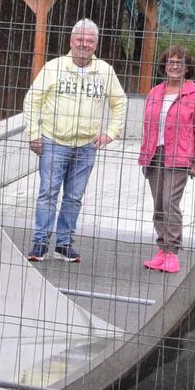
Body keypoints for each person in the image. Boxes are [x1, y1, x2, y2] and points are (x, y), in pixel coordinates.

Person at [22, 18, 126, 262]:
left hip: (86, 146)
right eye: (80, 39)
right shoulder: (54, 67)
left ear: (96, 45)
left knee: (74, 196)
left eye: (89, 41)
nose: (84, 44)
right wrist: (33, 134)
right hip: (54, 141)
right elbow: (32, 100)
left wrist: (112, 132)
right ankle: (40, 242)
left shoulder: (105, 71)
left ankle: (64, 243)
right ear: (71, 41)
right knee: (48, 192)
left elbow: (119, 102)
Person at [137, 45, 195, 274]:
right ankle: (162, 249)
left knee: (170, 203)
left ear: (187, 69)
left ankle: (173, 252)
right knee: (158, 205)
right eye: (171, 62)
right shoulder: (155, 92)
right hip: (154, 154)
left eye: (180, 63)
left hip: (178, 156)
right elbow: (147, 126)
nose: (175, 66)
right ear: (164, 66)